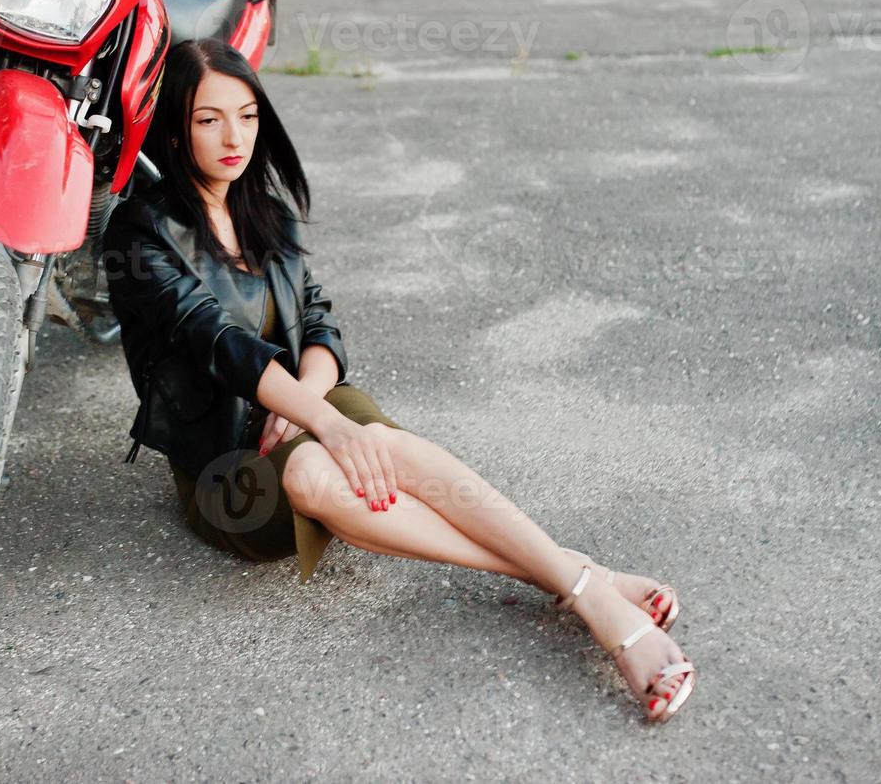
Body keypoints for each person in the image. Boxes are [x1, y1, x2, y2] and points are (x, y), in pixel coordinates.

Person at [100, 38, 696, 722]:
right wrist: (321, 423)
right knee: (313, 476)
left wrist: (312, 404)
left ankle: (583, 591)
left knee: (380, 449)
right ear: (173, 125)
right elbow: (218, 341)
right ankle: (579, 580)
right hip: (223, 459)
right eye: (208, 119)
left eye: (247, 115)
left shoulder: (264, 210)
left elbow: (319, 324)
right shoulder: (138, 234)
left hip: (303, 397)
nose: (233, 137)